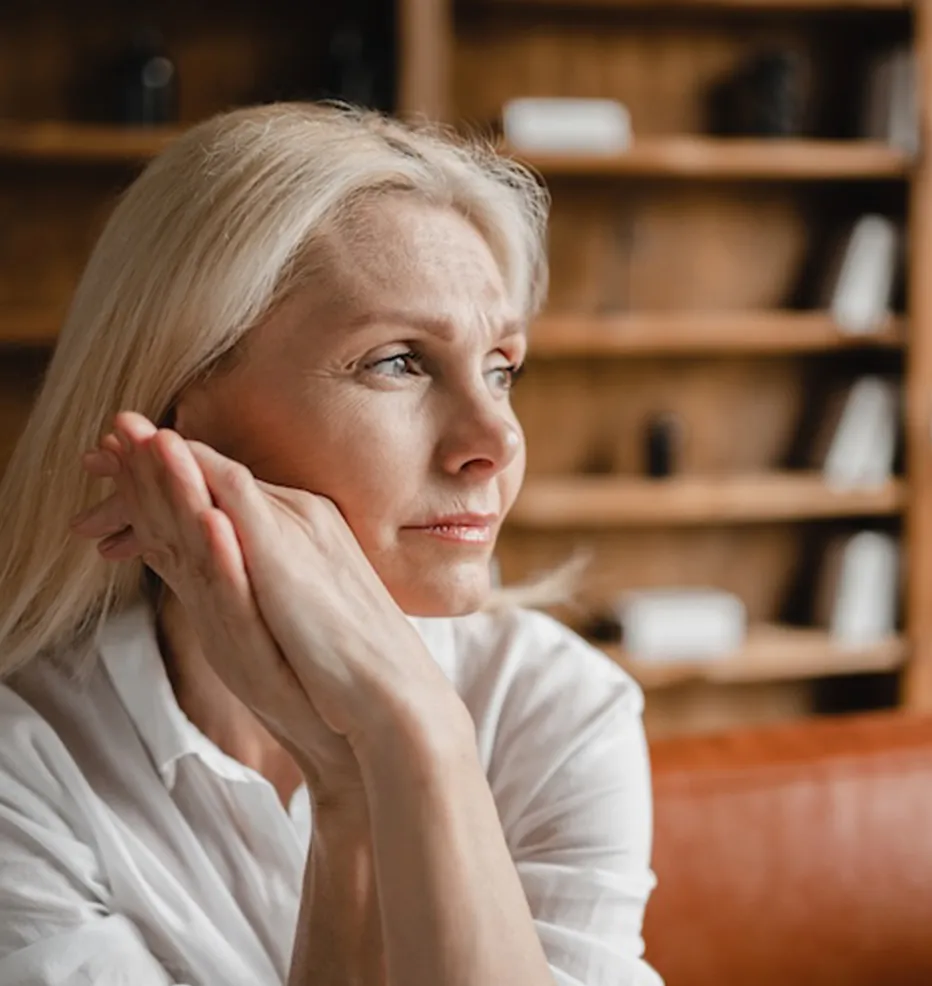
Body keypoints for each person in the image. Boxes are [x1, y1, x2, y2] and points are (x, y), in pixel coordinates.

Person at [0, 103, 661, 986]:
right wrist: (359, 784)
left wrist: (418, 742)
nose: (496, 441)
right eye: (397, 361)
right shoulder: (26, 762)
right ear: (179, 416)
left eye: (502, 367)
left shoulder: (559, 708)